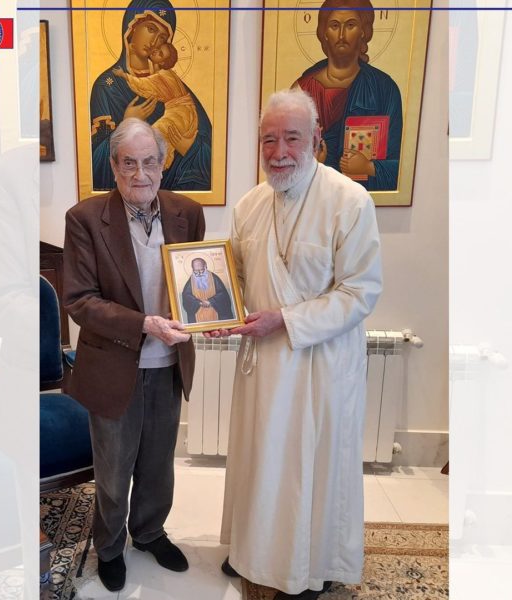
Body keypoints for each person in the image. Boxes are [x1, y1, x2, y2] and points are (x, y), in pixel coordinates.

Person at [217, 89, 382, 599]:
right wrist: (218, 312)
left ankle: (312, 565)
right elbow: (234, 279)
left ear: (316, 138)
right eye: (269, 140)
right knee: (261, 461)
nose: (279, 151)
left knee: (313, 468)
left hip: (320, 364)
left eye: (291, 138)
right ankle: (255, 552)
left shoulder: (350, 201)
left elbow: (360, 291)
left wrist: (285, 320)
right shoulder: (249, 205)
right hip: (263, 364)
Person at [63, 118, 205, 592]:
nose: (140, 174)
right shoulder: (85, 219)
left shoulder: (187, 213)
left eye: (149, 162)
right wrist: (144, 324)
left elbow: (199, 284)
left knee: (158, 463)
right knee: (113, 468)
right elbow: (79, 300)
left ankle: (148, 533)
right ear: (114, 166)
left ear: (163, 164)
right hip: (113, 364)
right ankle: (109, 547)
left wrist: (209, 312)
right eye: (129, 163)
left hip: (168, 364)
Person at [90, 0, 212, 191]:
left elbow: (209, 152)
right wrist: (126, 123)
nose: (155, 41)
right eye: (151, 29)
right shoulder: (107, 86)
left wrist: (187, 146)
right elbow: (95, 159)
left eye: (162, 37)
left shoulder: (173, 85)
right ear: (131, 27)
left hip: (168, 195)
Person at [293, 0, 402, 191]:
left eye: (350, 25)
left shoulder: (384, 90)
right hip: (314, 196)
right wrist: (312, 164)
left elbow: (403, 167)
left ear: (363, 31)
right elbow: (285, 154)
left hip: (358, 198)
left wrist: (369, 167)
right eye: (334, 26)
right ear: (324, 32)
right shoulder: (301, 90)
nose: (342, 35)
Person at [112, 43, 198, 172]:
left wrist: (124, 75)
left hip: (179, 113)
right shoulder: (168, 74)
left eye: (160, 53)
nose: (155, 51)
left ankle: (156, 167)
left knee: (156, 134)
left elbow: (144, 84)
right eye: (158, 49)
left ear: (162, 62)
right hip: (184, 111)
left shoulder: (163, 76)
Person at [181, 257, 234, 324]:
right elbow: (186, 297)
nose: (199, 274)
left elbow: (223, 295)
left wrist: (211, 301)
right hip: (198, 317)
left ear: (205, 266)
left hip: (215, 314)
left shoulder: (214, 278)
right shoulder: (191, 281)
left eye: (201, 270)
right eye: (196, 271)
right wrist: (198, 303)